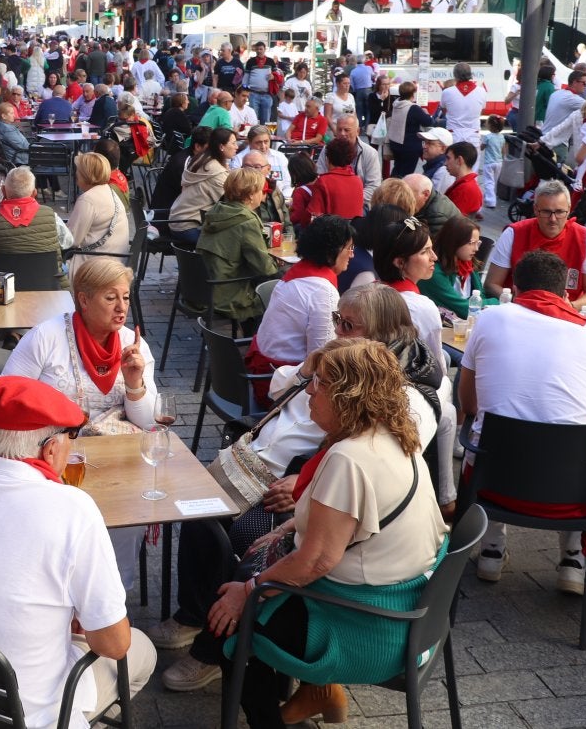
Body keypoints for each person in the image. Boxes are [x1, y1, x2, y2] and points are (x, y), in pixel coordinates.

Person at [154, 283, 447, 690]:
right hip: (291, 471)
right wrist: (311, 368)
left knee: (245, 539)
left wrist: (307, 478)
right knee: (198, 508)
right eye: (336, 320)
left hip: (324, 498)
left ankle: (218, 647)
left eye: (349, 324)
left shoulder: (408, 392)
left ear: (381, 331)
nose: (338, 331)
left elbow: (382, 454)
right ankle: (196, 612)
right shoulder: (336, 365)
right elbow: (279, 390)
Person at [208, 338, 447, 729]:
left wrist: (247, 593)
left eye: (319, 382)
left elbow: (317, 560)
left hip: (367, 627)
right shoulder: (392, 434)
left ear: (348, 394)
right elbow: (348, 525)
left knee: (229, 628)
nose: (309, 390)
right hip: (409, 610)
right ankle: (316, 693)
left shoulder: (348, 459)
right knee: (249, 580)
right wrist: (288, 527)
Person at [0, 376, 156, 727]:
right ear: (50, 448)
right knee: (140, 651)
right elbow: (114, 644)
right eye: (70, 438)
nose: (71, 449)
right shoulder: (73, 508)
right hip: (15, 714)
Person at [0, 258, 159, 580]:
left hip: (116, 456)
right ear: (84, 299)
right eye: (110, 297)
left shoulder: (133, 345)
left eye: (126, 297)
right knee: (56, 516)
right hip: (53, 452)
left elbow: (147, 421)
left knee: (131, 510)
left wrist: (134, 381)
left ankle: (110, 587)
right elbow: (6, 391)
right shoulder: (47, 336)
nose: (121, 308)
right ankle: (53, 580)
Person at [461, 250, 586, 592]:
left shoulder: (489, 319)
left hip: (494, 479)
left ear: (514, 288)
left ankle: (491, 547)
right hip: (569, 490)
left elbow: (468, 402)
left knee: (478, 433)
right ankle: (574, 557)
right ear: (566, 294)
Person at [248, 216, 355, 381]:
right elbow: (321, 359)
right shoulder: (322, 291)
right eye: (349, 248)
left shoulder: (296, 272)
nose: (352, 254)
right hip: (279, 383)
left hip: (266, 371)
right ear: (330, 252)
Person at [484, 179, 586, 310]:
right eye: (546, 212)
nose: (553, 219)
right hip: (518, 311)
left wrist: (570, 306)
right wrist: (523, 303)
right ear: (535, 209)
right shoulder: (513, 233)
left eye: (559, 212)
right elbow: (491, 284)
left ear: (569, 210)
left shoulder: (584, 238)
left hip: (565, 316)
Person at [197, 168, 281, 324]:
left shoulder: (217, 211)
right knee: (279, 283)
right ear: (250, 194)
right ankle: (257, 339)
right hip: (228, 293)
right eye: (261, 191)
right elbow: (265, 268)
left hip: (204, 287)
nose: (263, 195)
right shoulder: (246, 221)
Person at [0, 167, 72, 285]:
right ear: (34, 193)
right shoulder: (52, 216)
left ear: (3, 191)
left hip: (1, 292)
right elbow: (68, 242)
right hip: (49, 288)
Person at [373, 216, 445, 363]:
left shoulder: (365, 292)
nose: (434, 257)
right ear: (400, 262)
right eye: (425, 251)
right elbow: (435, 363)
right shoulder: (420, 307)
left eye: (432, 249)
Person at [67, 153, 130, 280]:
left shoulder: (88, 199)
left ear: (86, 174)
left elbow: (71, 240)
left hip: (95, 265)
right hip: (114, 259)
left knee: (46, 270)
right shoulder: (108, 190)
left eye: (78, 171)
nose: (76, 174)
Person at [418, 215, 495, 319]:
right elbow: (464, 309)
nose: (476, 249)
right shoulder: (434, 272)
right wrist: (497, 302)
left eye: (478, 243)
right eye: (471, 243)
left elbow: (481, 297)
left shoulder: (468, 264)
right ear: (453, 242)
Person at [169, 127, 236, 243]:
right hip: (190, 227)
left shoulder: (201, 160)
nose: (237, 147)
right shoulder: (216, 173)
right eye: (234, 143)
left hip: (177, 221)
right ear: (221, 147)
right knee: (233, 242)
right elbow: (231, 205)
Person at [315, 114, 381, 206]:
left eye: (347, 130)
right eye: (339, 129)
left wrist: (348, 199)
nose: (342, 133)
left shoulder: (370, 153)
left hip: (360, 204)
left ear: (357, 131)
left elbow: (374, 187)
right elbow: (319, 175)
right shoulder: (327, 149)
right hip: (331, 202)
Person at [304, 138, 365, 224]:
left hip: (330, 233)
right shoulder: (358, 181)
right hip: (353, 233)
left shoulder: (323, 181)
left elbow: (312, 216)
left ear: (328, 158)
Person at [385, 80, 432, 177]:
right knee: (406, 174)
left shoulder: (396, 104)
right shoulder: (413, 108)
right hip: (409, 146)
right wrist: (426, 113)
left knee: (397, 169)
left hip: (395, 142)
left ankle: (391, 188)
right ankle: (400, 191)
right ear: (413, 93)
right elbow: (428, 122)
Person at [440, 63, 485, 147]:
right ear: (470, 74)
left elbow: (444, 110)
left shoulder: (447, 92)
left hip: (453, 134)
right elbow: (481, 111)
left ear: (455, 75)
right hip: (473, 134)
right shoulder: (482, 91)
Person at [403, 172, 461, 236]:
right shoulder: (431, 198)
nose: (403, 197)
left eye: (408, 194)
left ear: (425, 194)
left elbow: (424, 243)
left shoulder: (437, 215)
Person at [443, 141, 483, 217]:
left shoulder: (466, 189)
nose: (445, 163)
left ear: (459, 160)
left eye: (448, 158)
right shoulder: (464, 185)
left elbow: (454, 222)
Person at [418, 127, 454, 195]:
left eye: (429, 143)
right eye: (424, 142)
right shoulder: (434, 165)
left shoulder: (443, 171)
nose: (424, 146)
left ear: (443, 149)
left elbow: (435, 201)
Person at [479, 115, 506, 209]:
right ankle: (489, 197)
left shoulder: (488, 137)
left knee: (488, 182)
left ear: (491, 126)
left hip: (489, 163)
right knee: (494, 181)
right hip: (499, 162)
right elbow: (503, 150)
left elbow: (481, 148)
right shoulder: (502, 137)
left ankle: (491, 201)